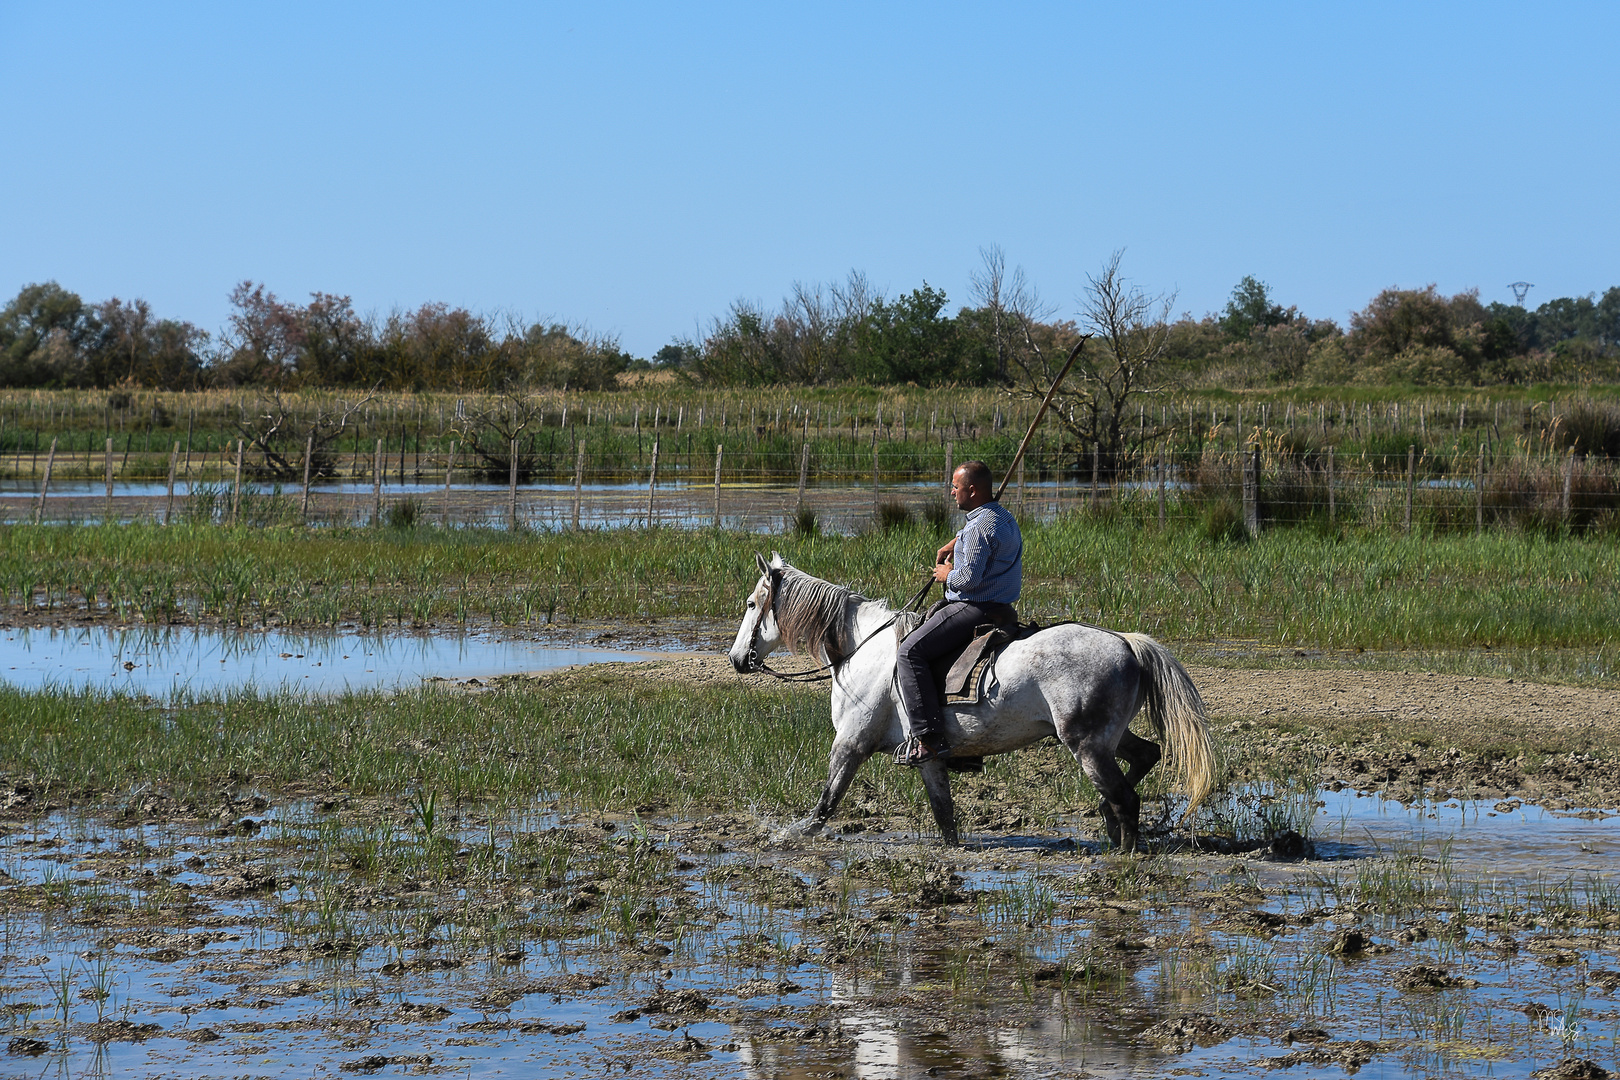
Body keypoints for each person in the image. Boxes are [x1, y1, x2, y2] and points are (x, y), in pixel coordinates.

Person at [894, 460, 1022, 767]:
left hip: (975, 608)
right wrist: (958, 540)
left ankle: (930, 740)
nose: (952, 492)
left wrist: (945, 574)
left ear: (973, 490)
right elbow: (980, 537)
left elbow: (967, 580)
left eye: (955, 486)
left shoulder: (978, 528)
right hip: (1002, 608)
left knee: (909, 652)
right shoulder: (1002, 517)